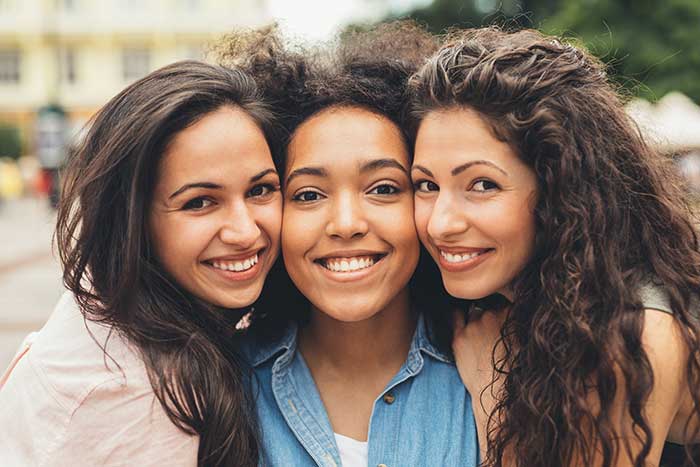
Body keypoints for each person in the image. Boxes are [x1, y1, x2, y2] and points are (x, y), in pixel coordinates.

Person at [407, 27, 700, 467]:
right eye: (426, 184)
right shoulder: (549, 301)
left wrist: (490, 396)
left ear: (561, 191)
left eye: (482, 185)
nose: (440, 222)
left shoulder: (629, 335)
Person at [218, 23, 479, 466]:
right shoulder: (217, 384)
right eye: (308, 195)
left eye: (382, 188)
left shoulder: (497, 370)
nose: (345, 224)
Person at [0, 61, 284, 467]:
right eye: (199, 202)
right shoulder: (135, 395)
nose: (244, 231)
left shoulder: (115, 306)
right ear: (133, 219)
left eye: (261, 189)